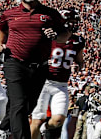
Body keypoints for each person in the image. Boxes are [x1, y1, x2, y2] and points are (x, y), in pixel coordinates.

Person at [0, 0, 69, 139]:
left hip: (39, 66)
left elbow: (65, 35)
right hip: (14, 62)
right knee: (19, 105)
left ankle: (1, 127)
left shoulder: (51, 14)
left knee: (27, 106)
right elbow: (0, 29)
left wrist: (55, 35)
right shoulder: (10, 13)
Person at [31, 8, 86, 139]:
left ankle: (44, 129)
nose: (73, 24)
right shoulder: (48, 36)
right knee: (36, 120)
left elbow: (80, 60)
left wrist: (79, 65)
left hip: (61, 85)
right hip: (43, 82)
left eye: (75, 21)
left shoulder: (78, 41)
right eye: (71, 21)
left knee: (58, 120)